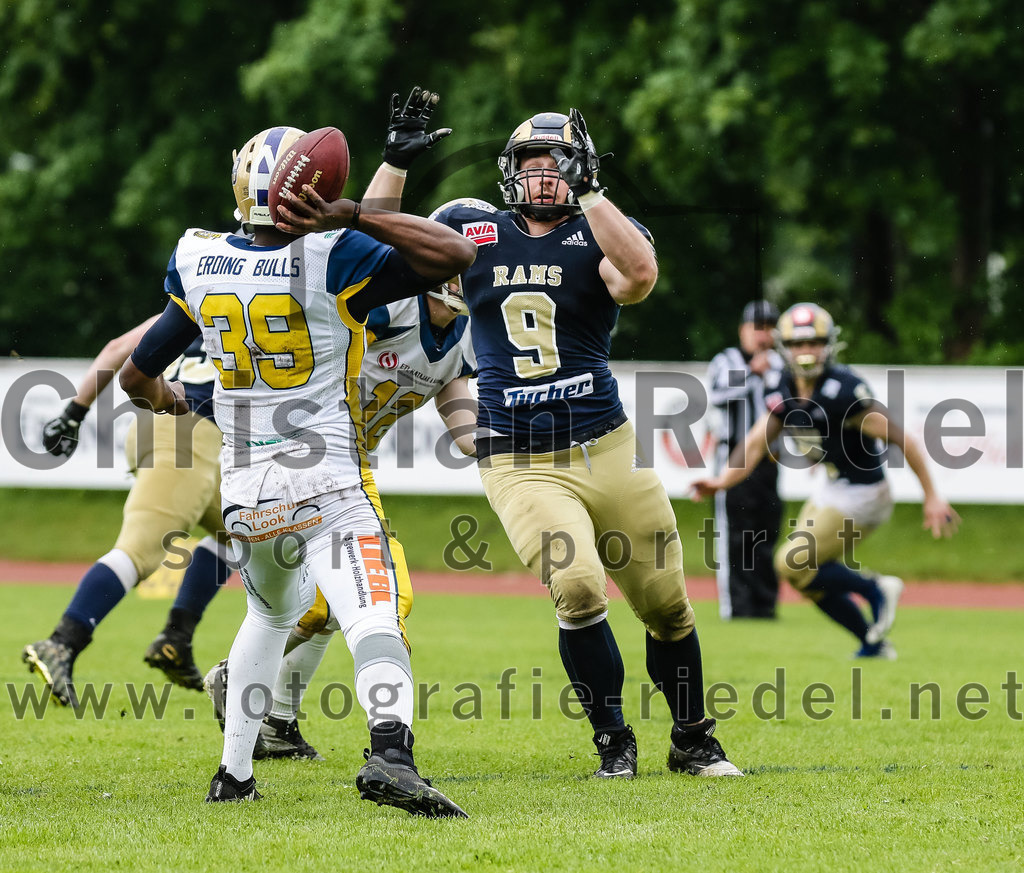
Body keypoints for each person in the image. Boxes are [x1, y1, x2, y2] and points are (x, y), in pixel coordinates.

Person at [119, 116, 476, 812]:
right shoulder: (331, 257)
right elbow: (453, 254)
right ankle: (390, 754)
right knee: (374, 612)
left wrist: (171, 401)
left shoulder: (199, 258)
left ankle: (234, 776)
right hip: (327, 478)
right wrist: (353, 212)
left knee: (269, 613)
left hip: (247, 489)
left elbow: (138, 377)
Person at [417, 109, 740, 778]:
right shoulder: (472, 232)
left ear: (582, 169)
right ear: (510, 171)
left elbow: (641, 277)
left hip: (606, 442)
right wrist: (386, 177)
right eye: (531, 161)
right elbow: (392, 257)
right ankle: (614, 742)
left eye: (557, 161)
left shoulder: (604, 230)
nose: (543, 173)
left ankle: (692, 738)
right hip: (518, 456)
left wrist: (593, 195)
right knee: (578, 584)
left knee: (667, 603)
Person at [203, 271, 477, 761]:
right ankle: (389, 748)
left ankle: (266, 709)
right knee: (385, 596)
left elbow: (468, 430)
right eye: (456, 262)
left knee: (329, 605)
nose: (466, 275)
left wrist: (525, 440)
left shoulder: (467, 338)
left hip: (350, 464)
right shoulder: (392, 307)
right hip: (303, 454)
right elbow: (318, 335)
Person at [692, 302, 961, 658]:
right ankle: (872, 642)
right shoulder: (781, 386)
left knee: (789, 562)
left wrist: (932, 496)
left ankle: (875, 587)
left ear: (830, 344)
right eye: (799, 343)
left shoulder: (844, 391)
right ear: (784, 347)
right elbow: (756, 444)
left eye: (815, 342)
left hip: (864, 492)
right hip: (830, 487)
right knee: (801, 576)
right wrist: (722, 481)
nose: (807, 351)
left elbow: (903, 439)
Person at [23, 321, 234, 707]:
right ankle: (62, 642)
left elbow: (117, 347)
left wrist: (74, 411)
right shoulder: (264, 297)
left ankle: (176, 638)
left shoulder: (197, 293)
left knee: (245, 537)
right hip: (192, 433)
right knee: (140, 551)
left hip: (161, 427)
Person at [706, 300, 783, 619]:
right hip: (733, 457)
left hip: (768, 460)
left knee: (766, 533)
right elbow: (716, 395)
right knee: (736, 536)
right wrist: (752, 372)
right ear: (743, 330)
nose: (763, 336)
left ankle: (765, 605)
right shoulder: (726, 361)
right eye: (757, 328)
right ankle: (736, 606)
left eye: (769, 328)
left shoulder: (781, 364)